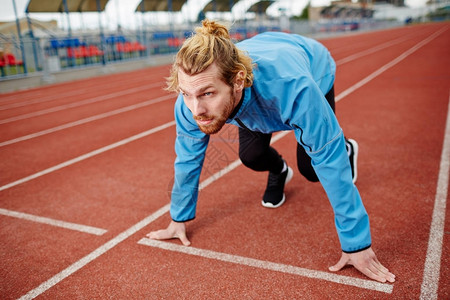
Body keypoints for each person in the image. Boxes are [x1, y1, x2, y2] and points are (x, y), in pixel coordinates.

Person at [148, 20, 395, 283]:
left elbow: (328, 157)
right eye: (186, 94)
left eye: (207, 94)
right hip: (255, 89)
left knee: (312, 169)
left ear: (238, 81)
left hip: (311, 68)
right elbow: (187, 157)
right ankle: (280, 170)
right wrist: (178, 218)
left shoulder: (295, 89)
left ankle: (348, 147)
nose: (196, 110)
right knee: (251, 156)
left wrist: (356, 244)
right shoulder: (192, 101)